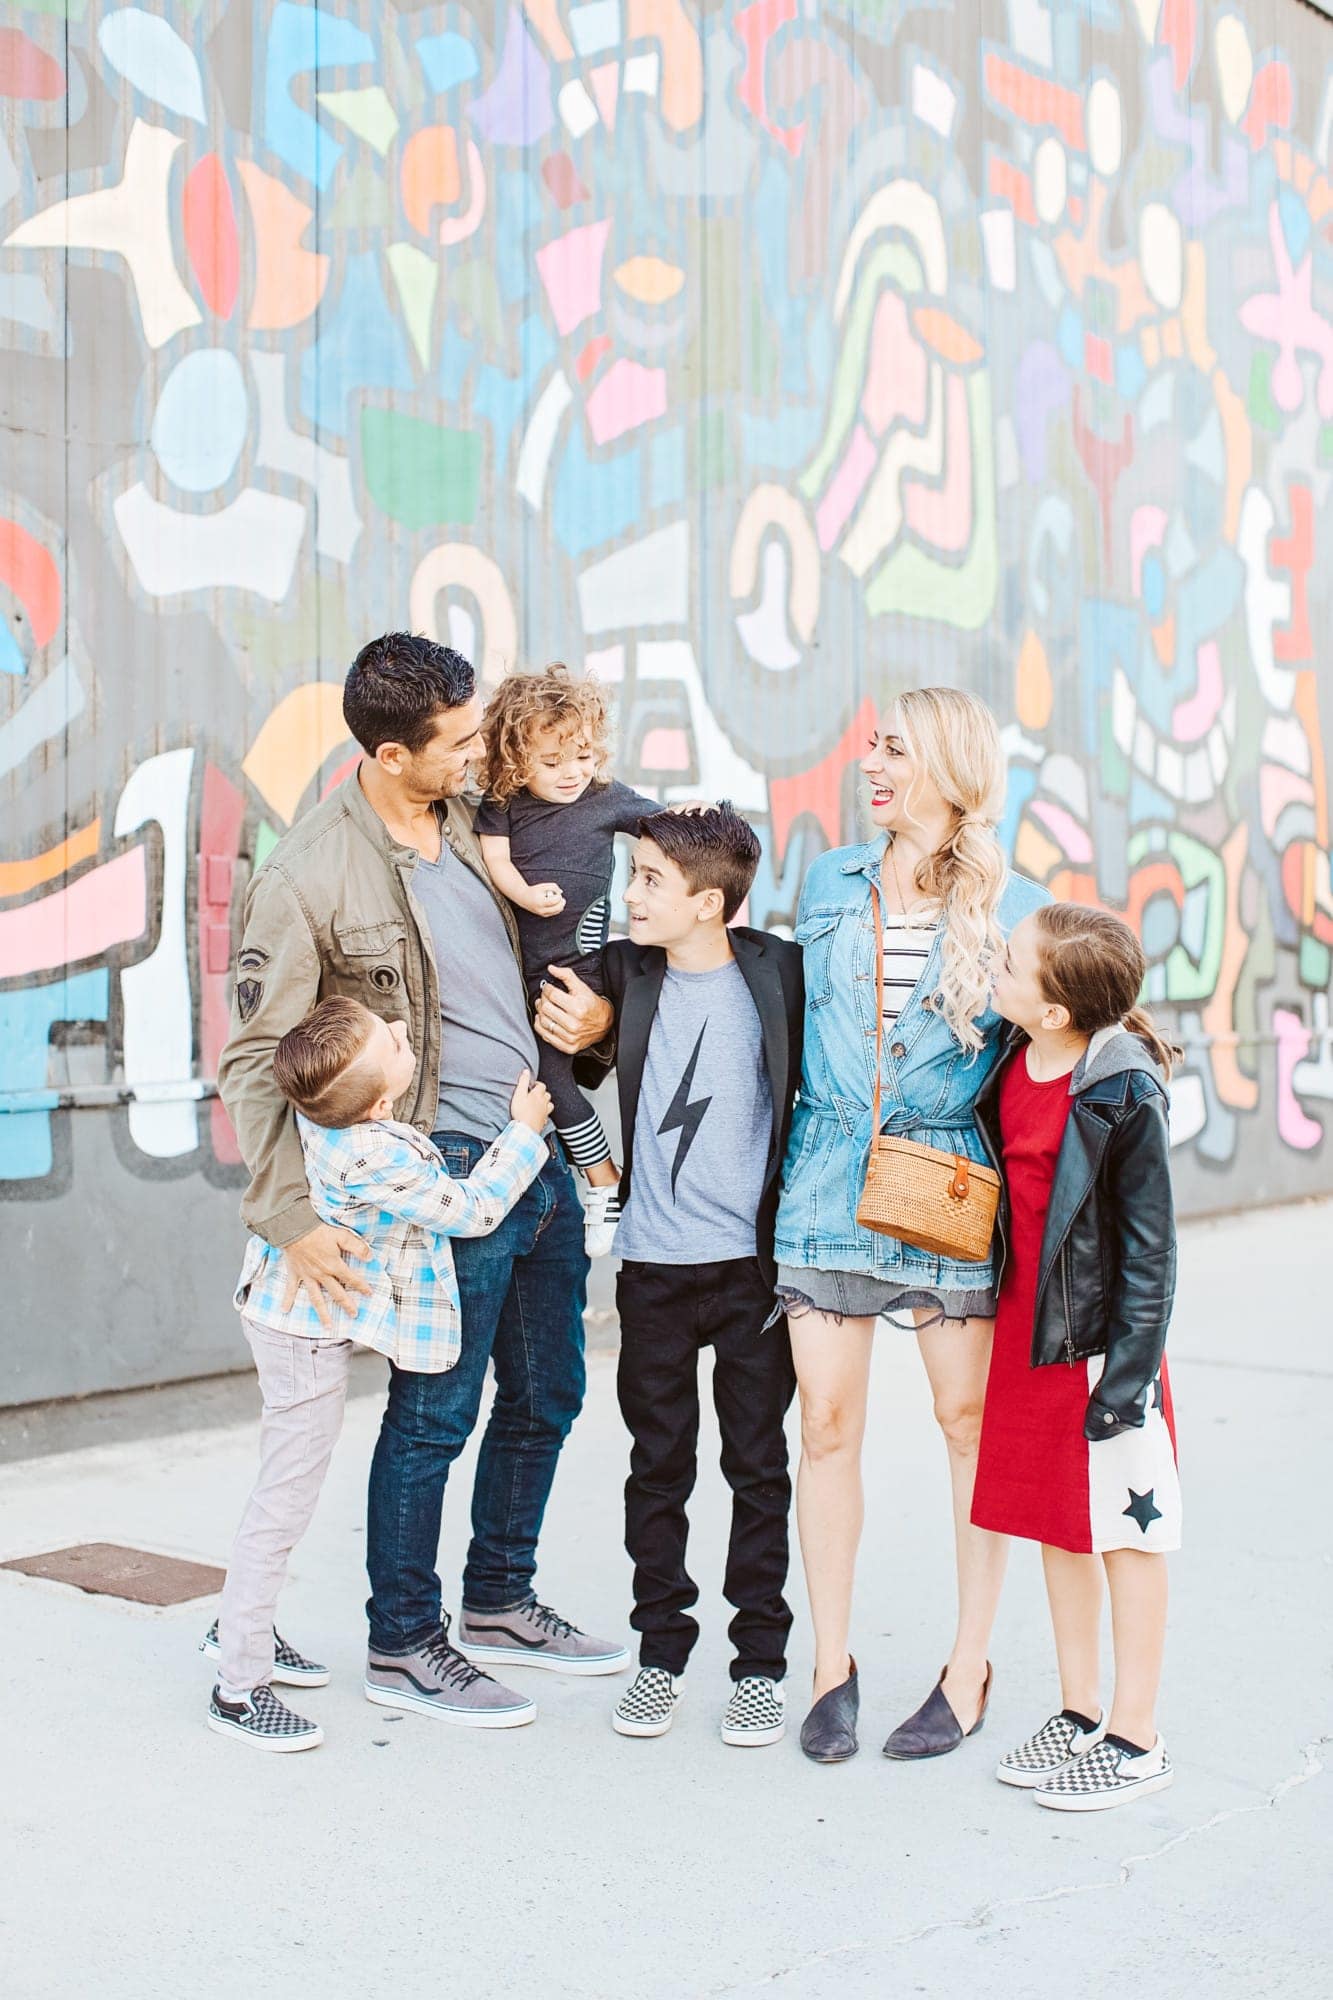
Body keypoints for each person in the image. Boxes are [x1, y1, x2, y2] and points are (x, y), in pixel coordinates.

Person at [218, 634, 629, 1733]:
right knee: (435, 1412)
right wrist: (288, 1214)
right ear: (393, 752)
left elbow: (551, 958)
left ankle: (497, 1594)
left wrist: (597, 1029)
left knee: (547, 1393)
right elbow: (255, 1061)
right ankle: (405, 1638)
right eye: (453, 743)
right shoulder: (308, 874)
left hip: (529, 1152)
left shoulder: (476, 821)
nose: (475, 754)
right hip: (437, 1172)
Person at [774, 686, 1048, 1764]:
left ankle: (967, 1665)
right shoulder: (830, 880)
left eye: (891, 750)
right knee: (827, 1429)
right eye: (869, 748)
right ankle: (829, 1666)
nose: (869, 766)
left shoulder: (1016, 903)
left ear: (944, 763)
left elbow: (1047, 1055)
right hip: (826, 1177)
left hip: (945, 1185)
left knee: (965, 1429)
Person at [208, 999, 553, 1749]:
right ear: (380, 1100)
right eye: (392, 1040)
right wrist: (524, 1135)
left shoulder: (323, 1111)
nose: (403, 1031)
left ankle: (243, 1625)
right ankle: (237, 1683)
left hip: (288, 1314)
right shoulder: (372, 1151)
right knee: (284, 1503)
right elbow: (473, 1208)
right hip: (300, 1336)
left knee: (283, 1494)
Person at [582, 806, 805, 1745]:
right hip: (654, 1273)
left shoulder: (780, 971)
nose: (630, 895)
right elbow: (558, 1050)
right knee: (655, 1469)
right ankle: (660, 1656)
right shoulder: (623, 974)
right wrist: (595, 1155)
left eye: (649, 882)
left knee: (758, 1471)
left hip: (750, 1275)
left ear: (708, 904)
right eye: (632, 876)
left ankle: (758, 1665)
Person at [971, 904, 1181, 1810]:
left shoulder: (1121, 1090)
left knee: (1125, 1534)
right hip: (1028, 1338)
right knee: (1058, 1524)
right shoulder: (1010, 1055)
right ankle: (1078, 1708)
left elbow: (1151, 1251)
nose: (995, 967)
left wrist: (1129, 1383)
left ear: (1055, 1008)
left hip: (1100, 1351)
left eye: (1010, 963)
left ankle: (1134, 1733)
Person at [475, 665, 658, 1257]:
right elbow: (497, 863)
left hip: (588, 968)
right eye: (551, 762)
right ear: (514, 756)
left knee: (569, 1074)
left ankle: (605, 1181)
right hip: (528, 977)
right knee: (549, 1076)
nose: (571, 774)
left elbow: (659, 823)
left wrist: (693, 812)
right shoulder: (502, 804)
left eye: (581, 756)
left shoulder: (605, 798)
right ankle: (601, 1177)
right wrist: (526, 894)